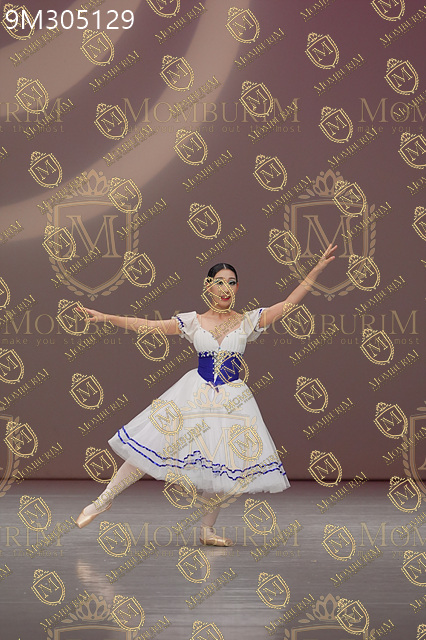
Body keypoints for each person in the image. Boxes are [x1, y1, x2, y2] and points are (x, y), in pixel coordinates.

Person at [75, 244, 337, 545]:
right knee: (149, 444)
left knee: (220, 466)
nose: (225, 288)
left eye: (231, 282)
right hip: (193, 394)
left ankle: (207, 530)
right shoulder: (192, 321)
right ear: (208, 286)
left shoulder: (248, 320)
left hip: (232, 399)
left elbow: (289, 304)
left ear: (237, 288)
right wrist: (106, 317)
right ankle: (104, 500)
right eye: (219, 282)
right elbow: (149, 326)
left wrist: (316, 270)